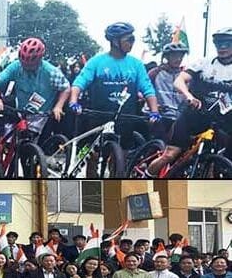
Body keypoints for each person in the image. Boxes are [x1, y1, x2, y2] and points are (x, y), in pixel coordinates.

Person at [147, 28, 232, 176]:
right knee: (170, 155)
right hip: (195, 115)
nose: (222, 47)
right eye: (219, 44)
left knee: (222, 162)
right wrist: (188, 96)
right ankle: (145, 177)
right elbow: (179, 81)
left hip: (223, 120)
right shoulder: (205, 63)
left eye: (227, 43)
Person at [69, 22, 160, 159]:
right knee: (91, 155)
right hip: (97, 115)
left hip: (125, 117)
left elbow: (147, 89)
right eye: (129, 39)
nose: (132, 42)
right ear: (115, 42)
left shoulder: (136, 64)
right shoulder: (96, 62)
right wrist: (73, 101)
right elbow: (79, 83)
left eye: (133, 39)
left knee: (120, 157)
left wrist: (154, 111)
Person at [0, 37, 71, 145]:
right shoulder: (16, 66)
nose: (26, 66)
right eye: (24, 63)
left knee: (38, 147)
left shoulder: (51, 71)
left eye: (30, 64)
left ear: (40, 59)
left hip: (41, 115)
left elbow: (66, 88)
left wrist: (58, 106)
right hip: (21, 112)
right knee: (11, 143)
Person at [146, 42, 189, 142]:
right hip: (159, 115)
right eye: (174, 55)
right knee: (160, 140)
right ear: (166, 56)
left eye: (181, 56)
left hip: (178, 116)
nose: (178, 59)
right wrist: (154, 106)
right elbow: (143, 91)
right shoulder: (155, 72)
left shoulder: (185, 75)